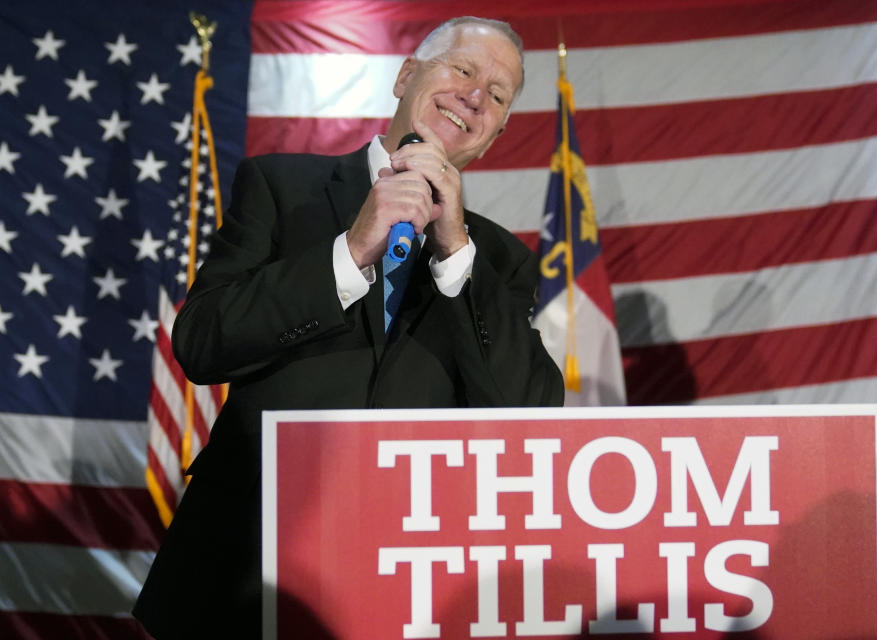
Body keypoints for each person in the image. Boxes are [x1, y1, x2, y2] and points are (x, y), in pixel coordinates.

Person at [133, 16, 564, 640]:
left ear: (496, 133)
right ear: (405, 75)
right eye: (463, 70)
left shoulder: (494, 261)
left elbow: (530, 412)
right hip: (246, 563)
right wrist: (352, 249)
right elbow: (201, 344)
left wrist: (454, 253)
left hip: (408, 580)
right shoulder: (282, 188)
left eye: (498, 95)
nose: (475, 95)